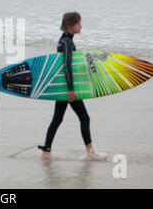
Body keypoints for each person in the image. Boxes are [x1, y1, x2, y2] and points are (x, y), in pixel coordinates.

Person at [38, 12, 107, 160]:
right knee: (84, 117)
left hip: (63, 86)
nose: (81, 26)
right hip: (67, 88)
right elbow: (67, 66)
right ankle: (90, 153)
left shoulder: (63, 40)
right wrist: (71, 89)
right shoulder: (67, 43)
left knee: (57, 119)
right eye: (79, 23)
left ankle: (46, 152)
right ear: (70, 25)